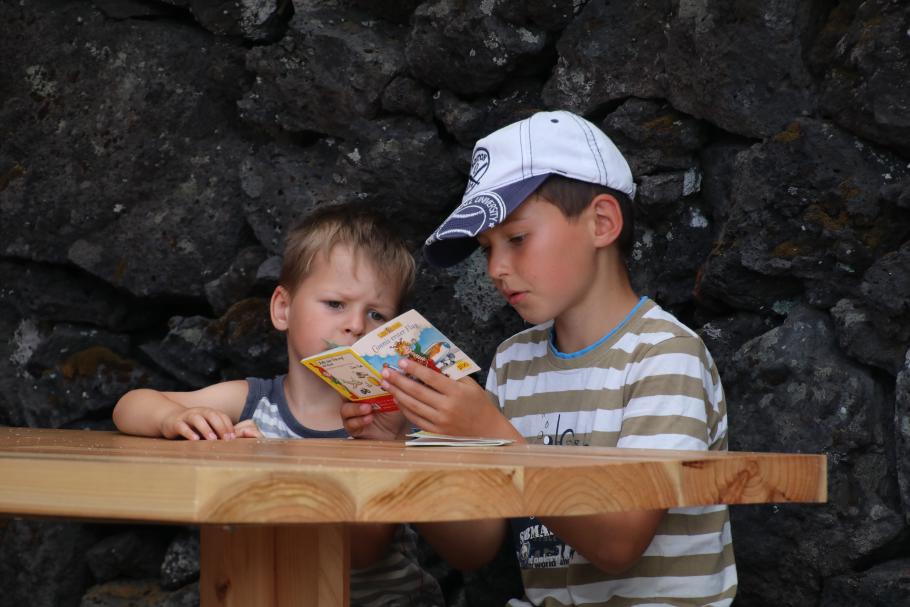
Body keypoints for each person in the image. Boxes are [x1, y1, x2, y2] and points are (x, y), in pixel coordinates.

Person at [343, 111, 737, 606]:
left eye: (517, 238)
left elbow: (619, 543)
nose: (496, 268)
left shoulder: (664, 355)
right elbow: (476, 545)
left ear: (602, 223)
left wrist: (496, 439)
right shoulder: (514, 362)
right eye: (486, 248)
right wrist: (407, 445)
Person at [113, 203, 444, 607]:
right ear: (283, 308)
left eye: (376, 314)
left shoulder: (392, 423)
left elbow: (365, 552)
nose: (355, 325)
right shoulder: (254, 402)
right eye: (336, 304)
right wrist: (176, 418)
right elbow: (130, 405)